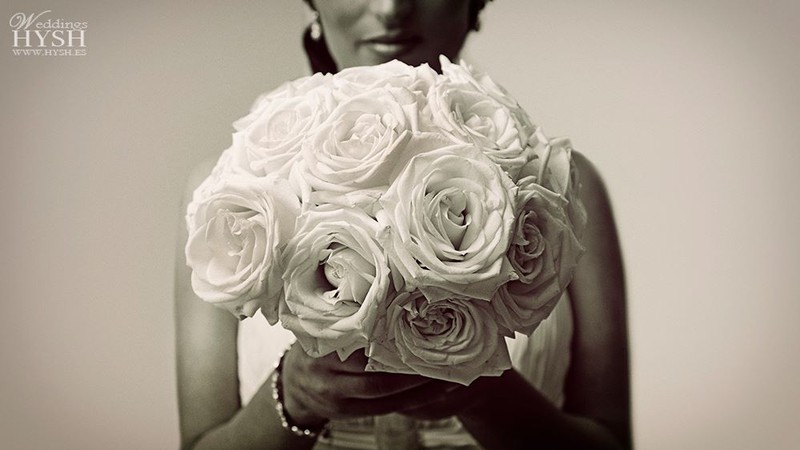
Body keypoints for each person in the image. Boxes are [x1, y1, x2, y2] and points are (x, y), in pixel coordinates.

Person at [174, 1, 630, 449]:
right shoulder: (228, 199)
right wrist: (294, 400)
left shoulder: (560, 187)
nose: (391, 9)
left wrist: (481, 389)